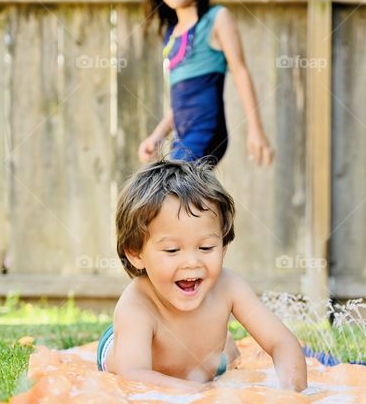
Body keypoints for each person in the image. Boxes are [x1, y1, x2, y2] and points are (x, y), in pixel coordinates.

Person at [97, 159, 306, 392]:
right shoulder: (137, 305)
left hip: (202, 362)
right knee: (187, 369)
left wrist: (293, 393)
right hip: (132, 356)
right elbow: (133, 376)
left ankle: (226, 347)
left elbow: (282, 342)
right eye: (172, 250)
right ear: (136, 253)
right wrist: (199, 393)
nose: (192, 262)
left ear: (223, 246)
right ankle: (222, 348)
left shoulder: (230, 287)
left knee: (222, 364)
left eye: (206, 247)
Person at [138, 0, 274, 167]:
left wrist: (256, 129)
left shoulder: (217, 19)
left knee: (173, 188)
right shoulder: (172, 34)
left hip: (207, 130)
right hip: (183, 136)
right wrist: (157, 135)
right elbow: (183, 100)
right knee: (179, 192)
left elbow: (240, 70)